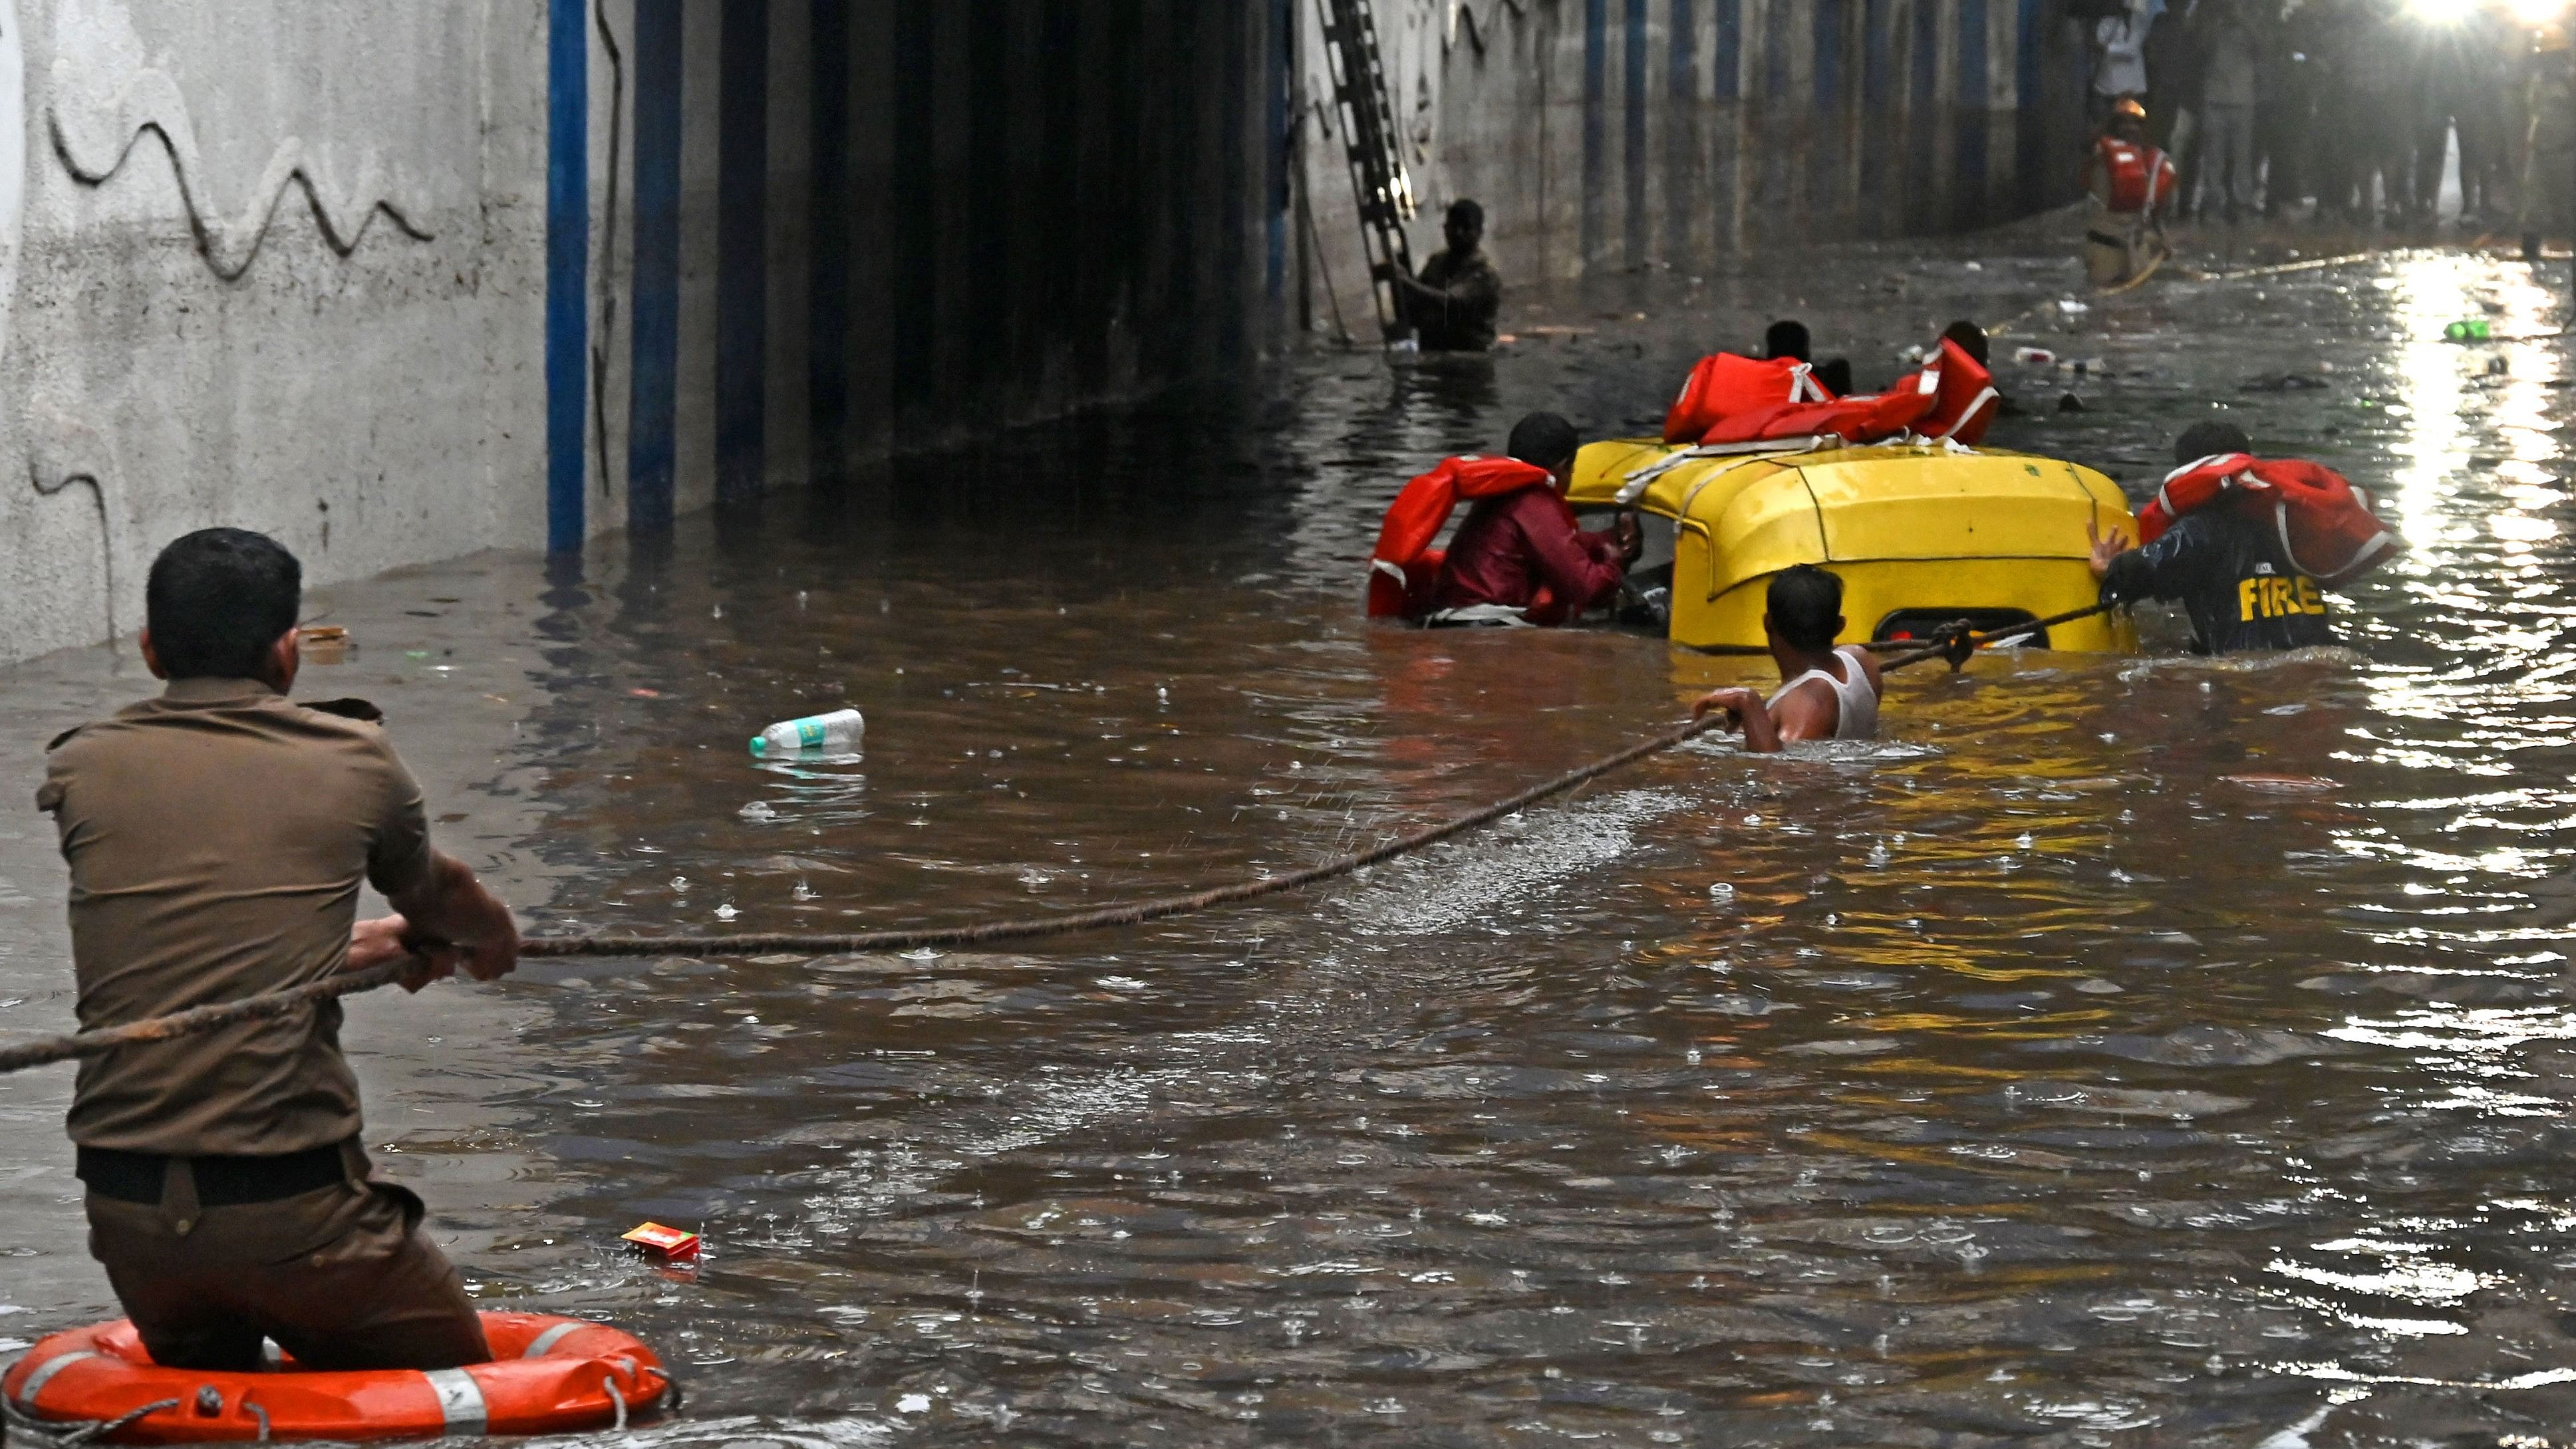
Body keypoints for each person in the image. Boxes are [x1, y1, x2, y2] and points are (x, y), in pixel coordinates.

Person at [39, 528, 521, 1372]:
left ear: (151, 649)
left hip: (129, 1222)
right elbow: (443, 897)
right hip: (300, 1221)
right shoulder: (354, 758)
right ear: (288, 653)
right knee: (469, 1391)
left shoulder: (80, 766)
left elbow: (206, 941)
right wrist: (488, 941)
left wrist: (369, 947)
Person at [2087, 422, 2343, 653]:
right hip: (2324, 658)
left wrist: (2109, 568)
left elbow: (2147, 566)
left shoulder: (2200, 529)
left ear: (2184, 476)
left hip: (2247, 670)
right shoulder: (2293, 525)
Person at [1429, 411, 1640, 624]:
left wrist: (1607, 540)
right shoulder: (1534, 499)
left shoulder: (1498, 491)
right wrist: (1616, 560)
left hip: (1446, 619)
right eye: (1571, 471)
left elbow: (1557, 547)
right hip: (1485, 629)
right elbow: (1588, 589)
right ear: (1562, 467)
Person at [1690, 564, 1883, 751]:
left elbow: (1783, 774)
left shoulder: (1807, 702)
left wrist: (1748, 703)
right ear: (1840, 626)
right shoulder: (1861, 662)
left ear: (1768, 623)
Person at [1380, 198, 1503, 351]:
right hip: (1434, 355)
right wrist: (1398, 285)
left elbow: (1451, 303)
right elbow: (1415, 308)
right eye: (1453, 226)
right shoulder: (1436, 263)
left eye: (1466, 228)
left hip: (1471, 358)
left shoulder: (1485, 273)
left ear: (1479, 232)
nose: (1458, 233)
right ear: (1445, 228)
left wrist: (1407, 283)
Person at [2082, 97, 2176, 287]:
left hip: (2136, 249)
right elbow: (2088, 155)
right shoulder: (2101, 153)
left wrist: (2163, 239)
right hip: (2105, 248)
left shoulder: (2155, 162)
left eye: (2136, 124)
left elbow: (2153, 209)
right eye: (2124, 123)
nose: (2130, 128)